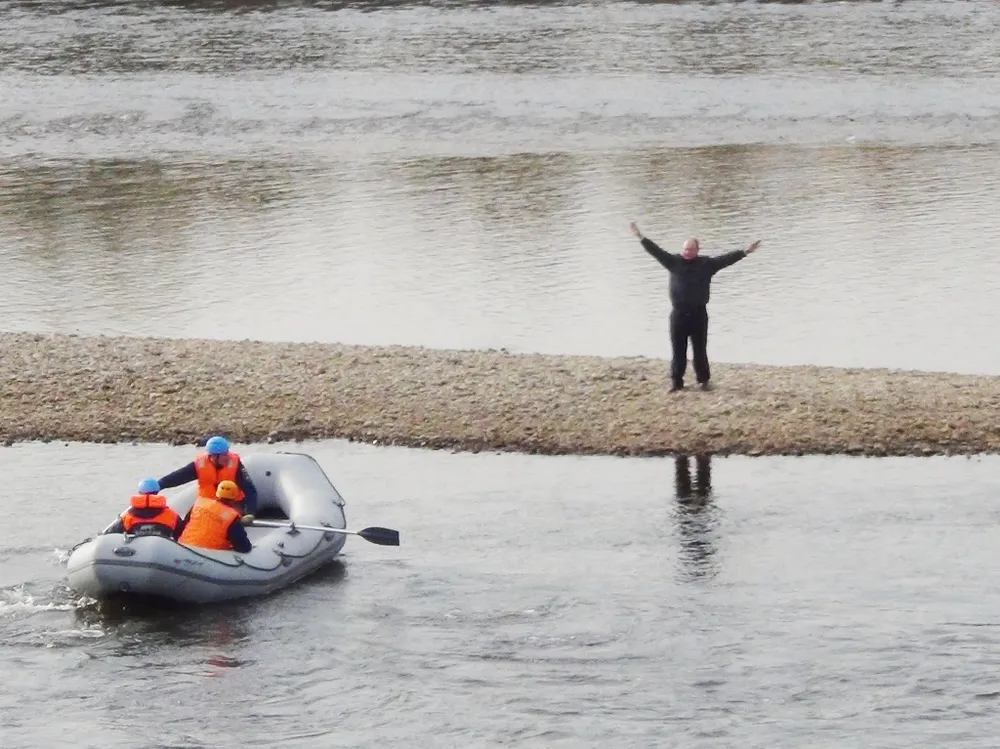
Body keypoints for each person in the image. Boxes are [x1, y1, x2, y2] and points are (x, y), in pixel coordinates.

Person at [630, 222, 761, 392]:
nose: (686, 252)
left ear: (697, 250)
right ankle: (677, 381)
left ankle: (704, 380)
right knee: (678, 350)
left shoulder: (706, 264)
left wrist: (745, 252)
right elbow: (656, 251)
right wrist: (640, 237)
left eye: (690, 250)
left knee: (700, 349)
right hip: (678, 314)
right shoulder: (673, 262)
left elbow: (725, 260)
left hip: (699, 314)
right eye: (685, 249)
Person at [157, 435, 257, 521]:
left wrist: (250, 512)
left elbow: (249, 489)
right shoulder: (199, 465)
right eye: (224, 454)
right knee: (186, 522)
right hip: (205, 506)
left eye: (227, 452)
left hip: (230, 505)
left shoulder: (235, 465)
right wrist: (160, 484)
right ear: (213, 457)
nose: (228, 457)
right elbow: (179, 477)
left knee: (229, 522)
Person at [177, 480, 253, 553]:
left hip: (184, 546)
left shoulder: (199, 503)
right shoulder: (232, 517)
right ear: (234, 498)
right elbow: (244, 547)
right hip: (208, 555)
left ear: (217, 493)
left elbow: (182, 527)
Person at [101, 478, 184, 539]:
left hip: (135, 554)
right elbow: (182, 536)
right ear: (157, 492)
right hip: (162, 554)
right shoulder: (171, 516)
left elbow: (110, 536)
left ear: (140, 493)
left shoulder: (127, 516)